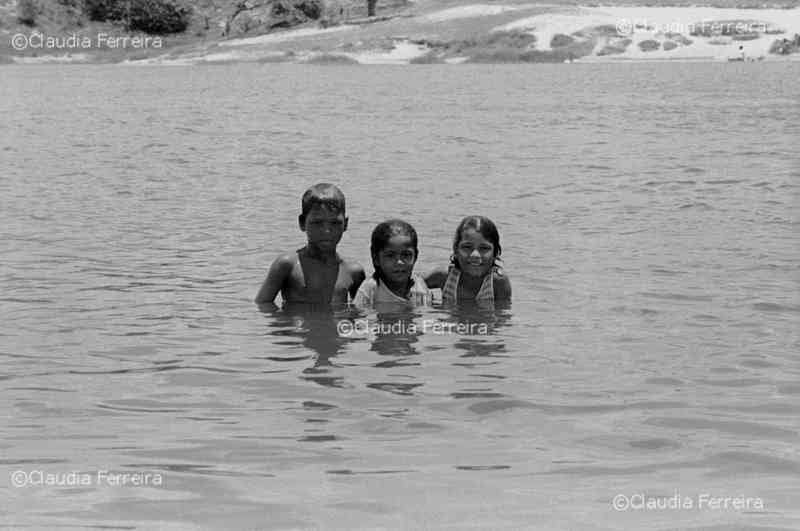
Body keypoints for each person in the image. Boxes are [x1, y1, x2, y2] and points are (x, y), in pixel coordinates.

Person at [254, 183, 365, 306]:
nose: (327, 231)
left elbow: (360, 312)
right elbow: (263, 306)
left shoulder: (353, 271)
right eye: (317, 223)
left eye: (335, 223)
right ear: (302, 223)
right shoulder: (287, 265)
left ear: (346, 224)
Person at [425, 216, 511, 305]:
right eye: (467, 247)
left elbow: (502, 315)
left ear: (495, 253)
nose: (475, 255)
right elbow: (414, 281)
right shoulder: (444, 276)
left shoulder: (497, 282)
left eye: (484, 248)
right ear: (456, 250)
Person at [353, 219, 432, 310]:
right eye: (390, 255)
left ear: (416, 256)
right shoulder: (370, 289)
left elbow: (425, 318)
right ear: (376, 258)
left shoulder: (420, 288)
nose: (399, 262)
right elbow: (360, 320)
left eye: (406, 255)